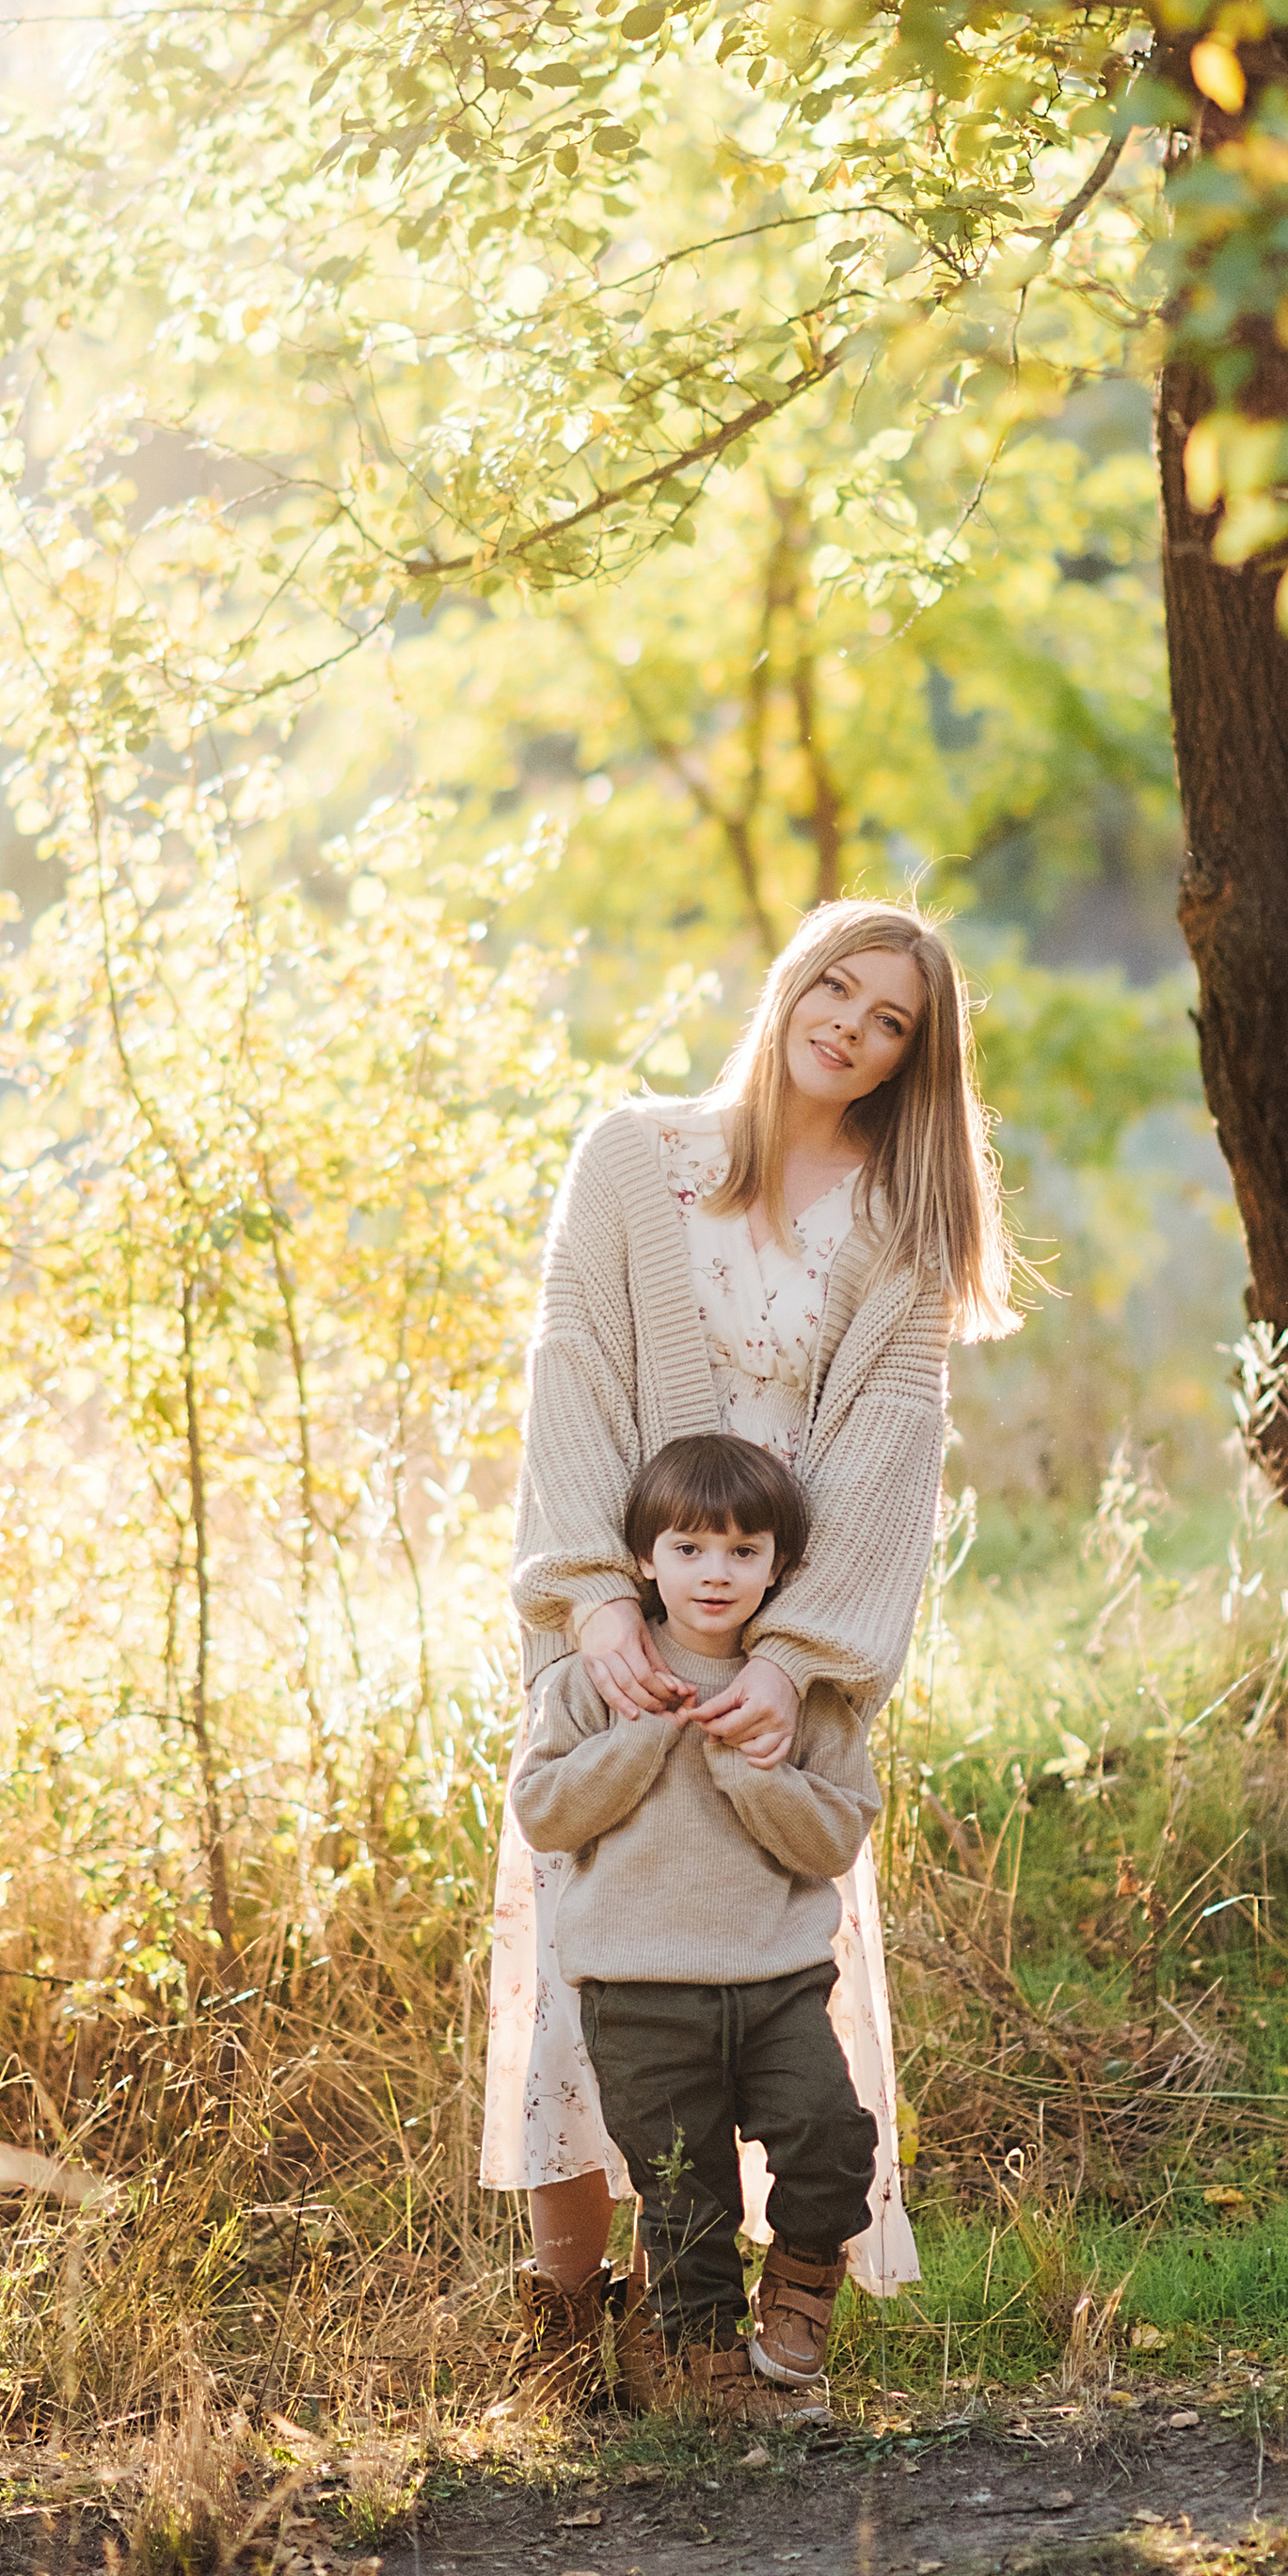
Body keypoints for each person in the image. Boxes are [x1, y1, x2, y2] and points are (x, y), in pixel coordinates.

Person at [480, 893, 1023, 2409]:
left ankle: (735, 2328)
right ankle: (566, 2336)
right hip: (614, 1636)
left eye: (890, 1018)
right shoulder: (632, 1157)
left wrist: (786, 1661)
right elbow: (573, 1379)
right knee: (583, 1975)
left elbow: (886, 1452)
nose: (850, 1024)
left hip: (779, 1662)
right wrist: (597, 1607)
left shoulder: (901, 1218)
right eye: (837, 986)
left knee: (767, 1983)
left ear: (913, 1056)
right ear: (791, 980)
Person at [512, 1432, 880, 2407]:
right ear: (644, 1558)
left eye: (742, 1550)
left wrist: (751, 1772)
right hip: (638, 1989)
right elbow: (544, 1813)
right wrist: (640, 1739)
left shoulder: (806, 1695)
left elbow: (834, 1838)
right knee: (683, 2190)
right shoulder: (595, 1682)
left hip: (776, 1979)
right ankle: (707, 2374)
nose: (715, 1572)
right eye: (688, 1547)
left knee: (830, 2136)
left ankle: (801, 2282)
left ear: (780, 1566)